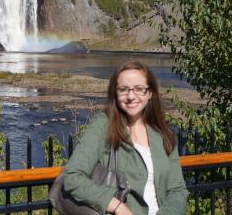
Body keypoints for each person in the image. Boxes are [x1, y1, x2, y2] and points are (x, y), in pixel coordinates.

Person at [63, 61, 188, 215]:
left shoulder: (163, 133)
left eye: (139, 89)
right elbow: (72, 177)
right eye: (123, 89)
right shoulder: (104, 125)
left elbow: (177, 190)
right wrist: (118, 207)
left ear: (150, 93)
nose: (130, 96)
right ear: (115, 93)